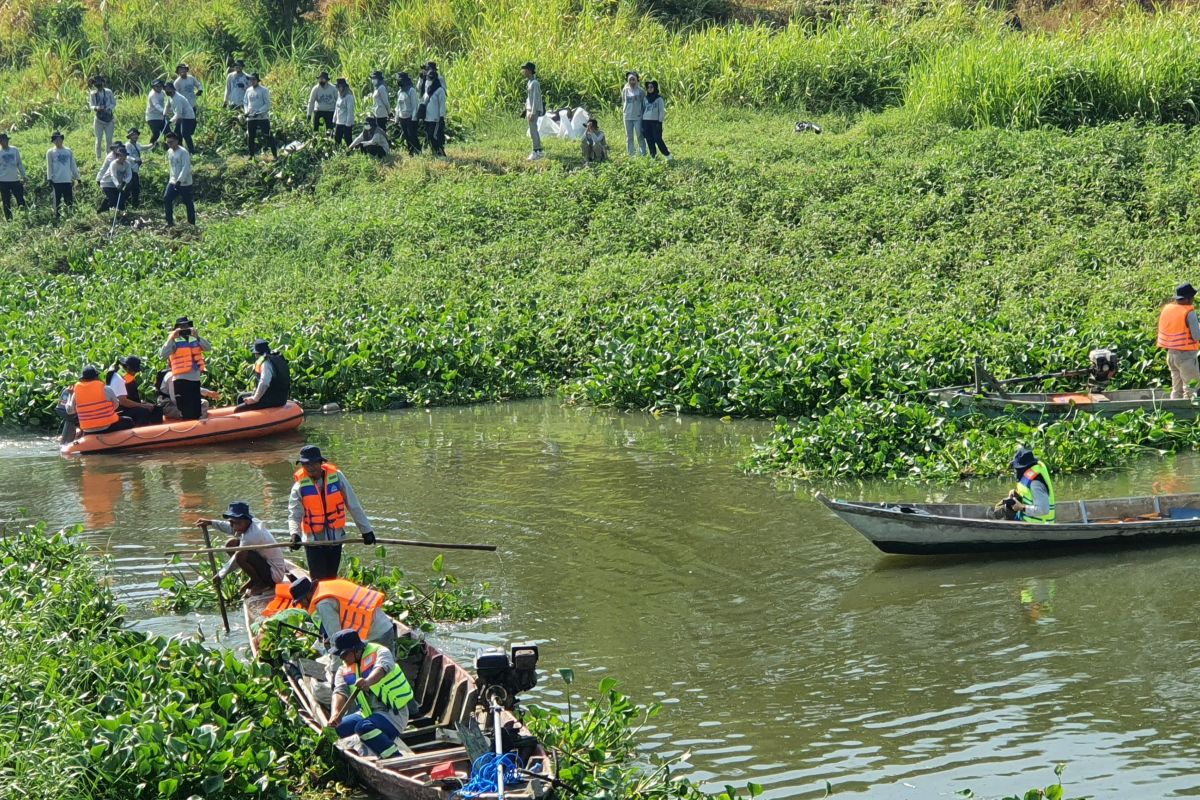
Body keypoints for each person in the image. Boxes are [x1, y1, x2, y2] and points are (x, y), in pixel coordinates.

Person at [288, 445, 376, 580]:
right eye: (306, 464)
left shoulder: (337, 477)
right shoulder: (299, 486)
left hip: (335, 539)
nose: (310, 468)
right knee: (318, 579)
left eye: (313, 463)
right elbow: (294, 514)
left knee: (331, 577)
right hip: (313, 542)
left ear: (321, 463)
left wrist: (366, 531)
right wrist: (295, 534)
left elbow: (353, 504)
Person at [327, 628, 414, 759]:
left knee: (363, 727)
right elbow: (339, 691)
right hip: (366, 713)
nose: (342, 658)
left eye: (344, 654)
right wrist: (335, 713)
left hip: (393, 714)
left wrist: (368, 681)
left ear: (356, 650)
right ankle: (364, 752)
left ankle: (394, 758)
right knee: (337, 729)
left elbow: (382, 668)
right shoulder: (343, 669)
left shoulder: (381, 652)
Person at [274, 576, 398, 653]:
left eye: (301, 602)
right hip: (385, 627)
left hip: (375, 636)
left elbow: (337, 640)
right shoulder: (327, 587)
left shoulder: (323, 604)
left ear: (306, 597)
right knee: (389, 668)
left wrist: (335, 673)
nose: (302, 606)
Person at [198, 501, 288, 595]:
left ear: (246, 520)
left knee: (240, 556)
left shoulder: (253, 535)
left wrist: (220, 575)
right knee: (231, 544)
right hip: (265, 565)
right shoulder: (245, 525)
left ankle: (261, 583)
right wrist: (211, 522)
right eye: (231, 522)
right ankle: (254, 578)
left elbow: (236, 559)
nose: (233, 526)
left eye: (235, 523)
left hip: (274, 575)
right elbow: (228, 527)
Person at [160, 316, 211, 419]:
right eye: (182, 326)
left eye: (186, 326)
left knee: (197, 412)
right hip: (181, 381)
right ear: (177, 328)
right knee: (187, 412)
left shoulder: (194, 339)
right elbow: (162, 355)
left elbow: (208, 347)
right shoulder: (174, 341)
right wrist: (171, 338)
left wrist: (197, 337)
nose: (184, 328)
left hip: (195, 380)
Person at [1157, 282, 1200, 399]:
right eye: (1192, 297)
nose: (1193, 300)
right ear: (1186, 299)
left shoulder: (1168, 310)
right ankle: (1192, 416)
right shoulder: (1189, 313)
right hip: (1186, 357)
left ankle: (1175, 414)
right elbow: (1197, 336)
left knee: (1177, 389)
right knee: (1191, 390)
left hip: (1171, 354)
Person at [66, 365, 134, 435]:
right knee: (129, 421)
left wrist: (70, 395)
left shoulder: (76, 392)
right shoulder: (106, 389)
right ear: (96, 377)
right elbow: (116, 405)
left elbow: (69, 411)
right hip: (108, 427)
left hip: (88, 430)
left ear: (83, 379)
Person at [997, 447, 1055, 524]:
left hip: (1039, 525)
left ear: (1023, 468)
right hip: (1025, 520)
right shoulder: (1029, 476)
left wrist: (1022, 507)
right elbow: (1028, 496)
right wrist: (1016, 494)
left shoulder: (1036, 483)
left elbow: (1043, 510)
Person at [105, 355, 162, 426]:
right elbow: (123, 401)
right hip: (119, 412)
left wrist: (144, 404)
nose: (135, 373)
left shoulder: (124, 374)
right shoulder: (118, 379)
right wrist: (143, 406)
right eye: (134, 371)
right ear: (128, 368)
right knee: (143, 412)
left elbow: (130, 398)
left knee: (156, 408)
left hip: (126, 408)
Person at [236, 338, 290, 411]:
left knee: (239, 409)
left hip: (273, 400)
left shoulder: (265, 364)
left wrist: (255, 398)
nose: (255, 356)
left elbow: (264, 382)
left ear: (257, 353)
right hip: (279, 396)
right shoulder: (274, 358)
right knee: (241, 397)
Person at [46, 131, 81, 220]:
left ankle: (70, 217)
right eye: (56, 140)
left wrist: (77, 177)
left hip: (67, 180)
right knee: (56, 202)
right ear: (53, 141)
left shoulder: (68, 151)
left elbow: (73, 165)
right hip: (56, 180)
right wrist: (49, 178)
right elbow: (49, 166)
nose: (58, 141)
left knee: (69, 200)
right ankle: (56, 218)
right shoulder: (50, 152)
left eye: (59, 139)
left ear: (62, 139)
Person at [163, 131, 195, 226]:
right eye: (168, 142)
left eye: (171, 142)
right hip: (173, 181)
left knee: (188, 203)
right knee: (167, 198)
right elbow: (172, 167)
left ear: (177, 141)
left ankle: (191, 223)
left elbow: (186, 168)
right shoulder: (169, 152)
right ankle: (169, 222)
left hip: (184, 182)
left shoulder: (183, 152)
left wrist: (180, 180)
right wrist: (173, 179)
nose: (170, 144)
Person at [243, 73, 277, 158]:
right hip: (251, 118)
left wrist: (258, 112)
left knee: (268, 135)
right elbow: (245, 102)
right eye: (250, 79)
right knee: (251, 136)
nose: (252, 81)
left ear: (257, 80)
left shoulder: (264, 90)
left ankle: (275, 155)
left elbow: (267, 104)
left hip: (262, 117)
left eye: (254, 79)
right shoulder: (248, 90)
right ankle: (251, 155)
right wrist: (246, 111)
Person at [88, 75, 117, 160]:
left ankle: (109, 157)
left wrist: (108, 108)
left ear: (103, 83)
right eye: (97, 85)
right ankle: (98, 158)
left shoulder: (108, 92)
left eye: (100, 84)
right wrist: (96, 108)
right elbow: (91, 105)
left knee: (109, 139)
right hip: (98, 120)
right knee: (98, 140)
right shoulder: (93, 94)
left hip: (109, 119)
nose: (99, 86)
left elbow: (113, 103)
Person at [0, 132, 27, 221]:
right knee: (6, 202)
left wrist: (24, 176)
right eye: (3, 140)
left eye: (6, 140)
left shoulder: (14, 150)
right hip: (3, 181)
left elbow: (19, 164)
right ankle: (9, 220)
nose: (5, 142)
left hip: (15, 179)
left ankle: (24, 217)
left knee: (20, 199)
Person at [97, 146, 133, 212]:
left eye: (125, 156)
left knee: (122, 198)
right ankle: (102, 211)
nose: (123, 158)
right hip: (107, 183)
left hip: (118, 184)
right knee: (112, 199)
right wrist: (118, 185)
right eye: (121, 156)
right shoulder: (113, 164)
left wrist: (124, 182)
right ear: (118, 156)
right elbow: (113, 176)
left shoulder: (127, 164)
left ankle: (120, 211)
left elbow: (129, 175)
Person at [642, 80, 670, 160]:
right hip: (646, 121)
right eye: (648, 87)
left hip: (655, 122)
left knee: (657, 138)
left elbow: (661, 111)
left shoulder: (659, 98)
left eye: (651, 87)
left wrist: (660, 122)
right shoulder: (645, 98)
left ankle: (667, 155)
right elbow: (644, 109)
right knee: (649, 139)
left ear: (655, 87)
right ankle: (653, 156)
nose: (649, 89)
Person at [522, 62, 544, 161]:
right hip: (529, 109)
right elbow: (529, 98)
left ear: (530, 71)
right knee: (533, 131)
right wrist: (525, 108)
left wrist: (533, 112)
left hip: (533, 111)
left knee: (533, 131)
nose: (524, 71)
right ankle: (539, 150)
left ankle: (536, 151)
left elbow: (536, 99)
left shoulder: (534, 83)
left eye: (525, 69)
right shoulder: (529, 82)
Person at [621, 71, 647, 157]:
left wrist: (643, 116)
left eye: (633, 79)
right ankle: (631, 154)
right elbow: (624, 101)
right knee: (629, 137)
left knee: (640, 135)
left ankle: (643, 153)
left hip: (638, 117)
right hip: (627, 116)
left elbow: (644, 104)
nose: (632, 81)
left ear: (637, 80)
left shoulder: (641, 91)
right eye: (630, 80)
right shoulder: (625, 90)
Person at [163, 84, 196, 153]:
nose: (167, 91)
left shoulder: (178, 98)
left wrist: (170, 121)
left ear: (173, 89)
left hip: (188, 117)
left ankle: (192, 151)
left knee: (185, 133)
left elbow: (179, 114)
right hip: (181, 117)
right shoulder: (170, 97)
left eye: (168, 89)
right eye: (165, 90)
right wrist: (164, 115)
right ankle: (180, 149)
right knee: (177, 134)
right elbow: (167, 105)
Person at [393, 72, 420, 155]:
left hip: (410, 117)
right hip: (402, 117)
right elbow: (398, 106)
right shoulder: (399, 92)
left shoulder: (411, 90)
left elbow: (415, 105)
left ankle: (418, 150)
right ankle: (411, 151)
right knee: (406, 135)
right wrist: (396, 118)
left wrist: (414, 118)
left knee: (412, 135)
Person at [422, 72, 447, 157]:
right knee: (429, 136)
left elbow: (442, 105)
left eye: (430, 78)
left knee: (434, 136)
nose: (428, 79)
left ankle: (441, 153)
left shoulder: (440, 90)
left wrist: (441, 117)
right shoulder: (427, 89)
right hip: (427, 118)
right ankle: (435, 152)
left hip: (435, 118)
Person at [122, 128, 147, 208]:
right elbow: (127, 156)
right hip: (129, 170)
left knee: (136, 189)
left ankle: (135, 206)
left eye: (136, 134)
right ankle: (122, 205)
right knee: (128, 189)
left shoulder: (137, 144)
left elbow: (144, 147)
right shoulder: (127, 145)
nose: (135, 136)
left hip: (135, 170)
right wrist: (135, 160)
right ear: (129, 136)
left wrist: (153, 144)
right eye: (133, 135)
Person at [333, 78, 356, 148]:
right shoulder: (339, 95)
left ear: (344, 86)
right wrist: (334, 119)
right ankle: (338, 153)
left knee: (348, 139)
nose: (338, 88)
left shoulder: (349, 97)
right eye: (337, 87)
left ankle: (351, 152)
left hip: (346, 122)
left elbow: (350, 111)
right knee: (337, 139)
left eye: (339, 86)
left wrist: (348, 124)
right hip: (339, 121)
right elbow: (337, 108)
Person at [146, 79, 169, 146]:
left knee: (167, 132)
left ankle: (167, 146)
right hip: (152, 117)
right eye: (156, 86)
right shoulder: (152, 95)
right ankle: (151, 146)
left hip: (161, 116)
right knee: (156, 133)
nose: (158, 88)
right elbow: (156, 105)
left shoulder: (163, 92)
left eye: (160, 86)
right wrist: (164, 111)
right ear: (153, 87)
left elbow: (166, 101)